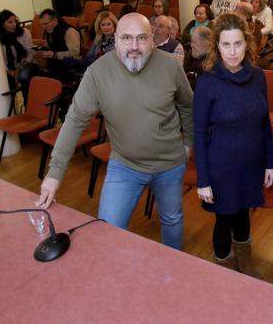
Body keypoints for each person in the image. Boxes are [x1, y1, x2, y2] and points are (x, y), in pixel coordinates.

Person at [37, 13, 194, 251]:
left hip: (169, 164)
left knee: (172, 219)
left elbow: (187, 105)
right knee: (107, 228)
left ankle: (172, 269)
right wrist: (55, 172)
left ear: (152, 39)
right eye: (127, 38)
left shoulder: (171, 65)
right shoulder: (97, 72)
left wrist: (189, 141)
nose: (134, 46)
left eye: (141, 38)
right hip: (125, 165)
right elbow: (75, 120)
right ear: (115, 40)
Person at [193, 13, 273, 277]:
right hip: (222, 168)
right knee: (225, 218)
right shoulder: (208, 83)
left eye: (237, 44)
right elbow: (198, 133)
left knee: (243, 216)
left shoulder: (258, 76)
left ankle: (246, 266)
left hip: (250, 164)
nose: (232, 51)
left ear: (247, 44)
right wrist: (203, 180)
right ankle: (225, 274)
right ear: (216, 46)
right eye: (226, 45)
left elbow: (264, 123)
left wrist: (270, 162)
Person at [0, 9, 38, 101]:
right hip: (9, 69)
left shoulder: (24, 32)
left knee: (23, 75)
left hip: (26, 64)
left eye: (15, 21)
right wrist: (11, 72)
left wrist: (18, 70)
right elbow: (0, 60)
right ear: (2, 25)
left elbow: (31, 53)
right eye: (10, 22)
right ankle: (9, 107)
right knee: (0, 80)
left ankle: (28, 103)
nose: (14, 24)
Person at [184, 26, 211, 90]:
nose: (191, 45)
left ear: (206, 42)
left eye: (194, 42)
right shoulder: (189, 57)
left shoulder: (212, 63)